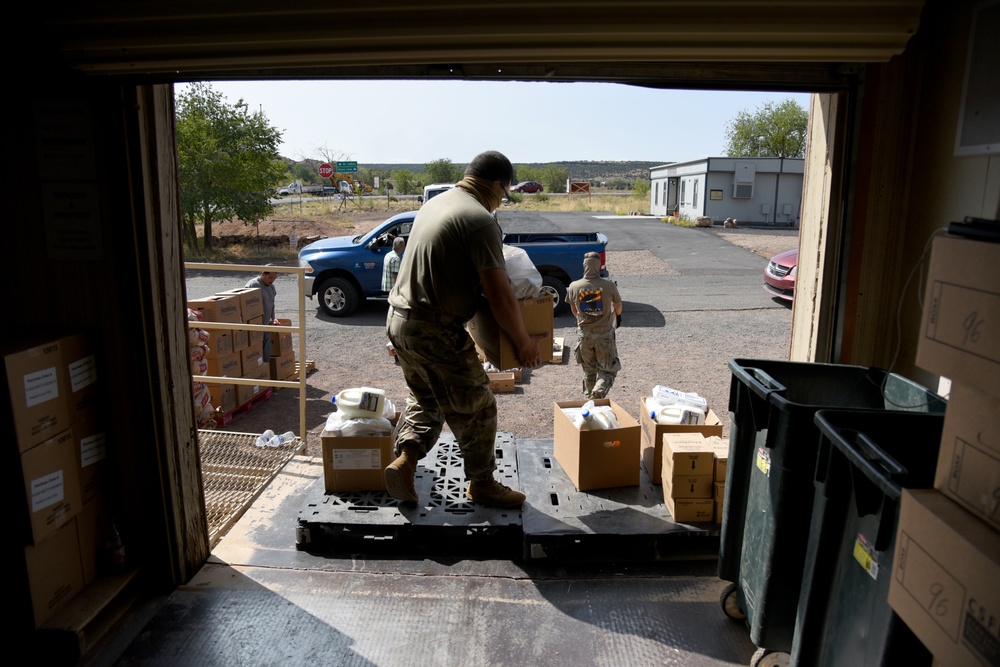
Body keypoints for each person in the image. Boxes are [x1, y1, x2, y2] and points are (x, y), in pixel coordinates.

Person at [384, 150, 543, 508]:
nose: (502, 200)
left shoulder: (436, 204)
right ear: (497, 183)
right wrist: (524, 342)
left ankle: (405, 460)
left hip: (400, 320)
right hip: (433, 330)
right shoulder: (479, 219)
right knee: (479, 406)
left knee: (428, 399)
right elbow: (500, 296)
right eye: (505, 193)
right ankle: (482, 484)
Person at [566, 252, 622, 399]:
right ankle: (597, 396)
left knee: (589, 370)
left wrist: (584, 318)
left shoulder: (574, 286)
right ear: (598, 266)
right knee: (607, 370)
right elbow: (618, 307)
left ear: (584, 266)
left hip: (584, 335)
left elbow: (574, 310)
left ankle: (590, 402)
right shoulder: (609, 286)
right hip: (604, 335)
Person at [245, 267, 278, 361]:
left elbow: (272, 305)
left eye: (274, 278)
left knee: (266, 351)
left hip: (265, 324)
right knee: (254, 353)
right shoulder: (254, 285)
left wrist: (273, 318)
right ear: (263, 274)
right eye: (270, 277)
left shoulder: (272, 287)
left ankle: (265, 370)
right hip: (255, 325)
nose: (272, 280)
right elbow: (246, 306)